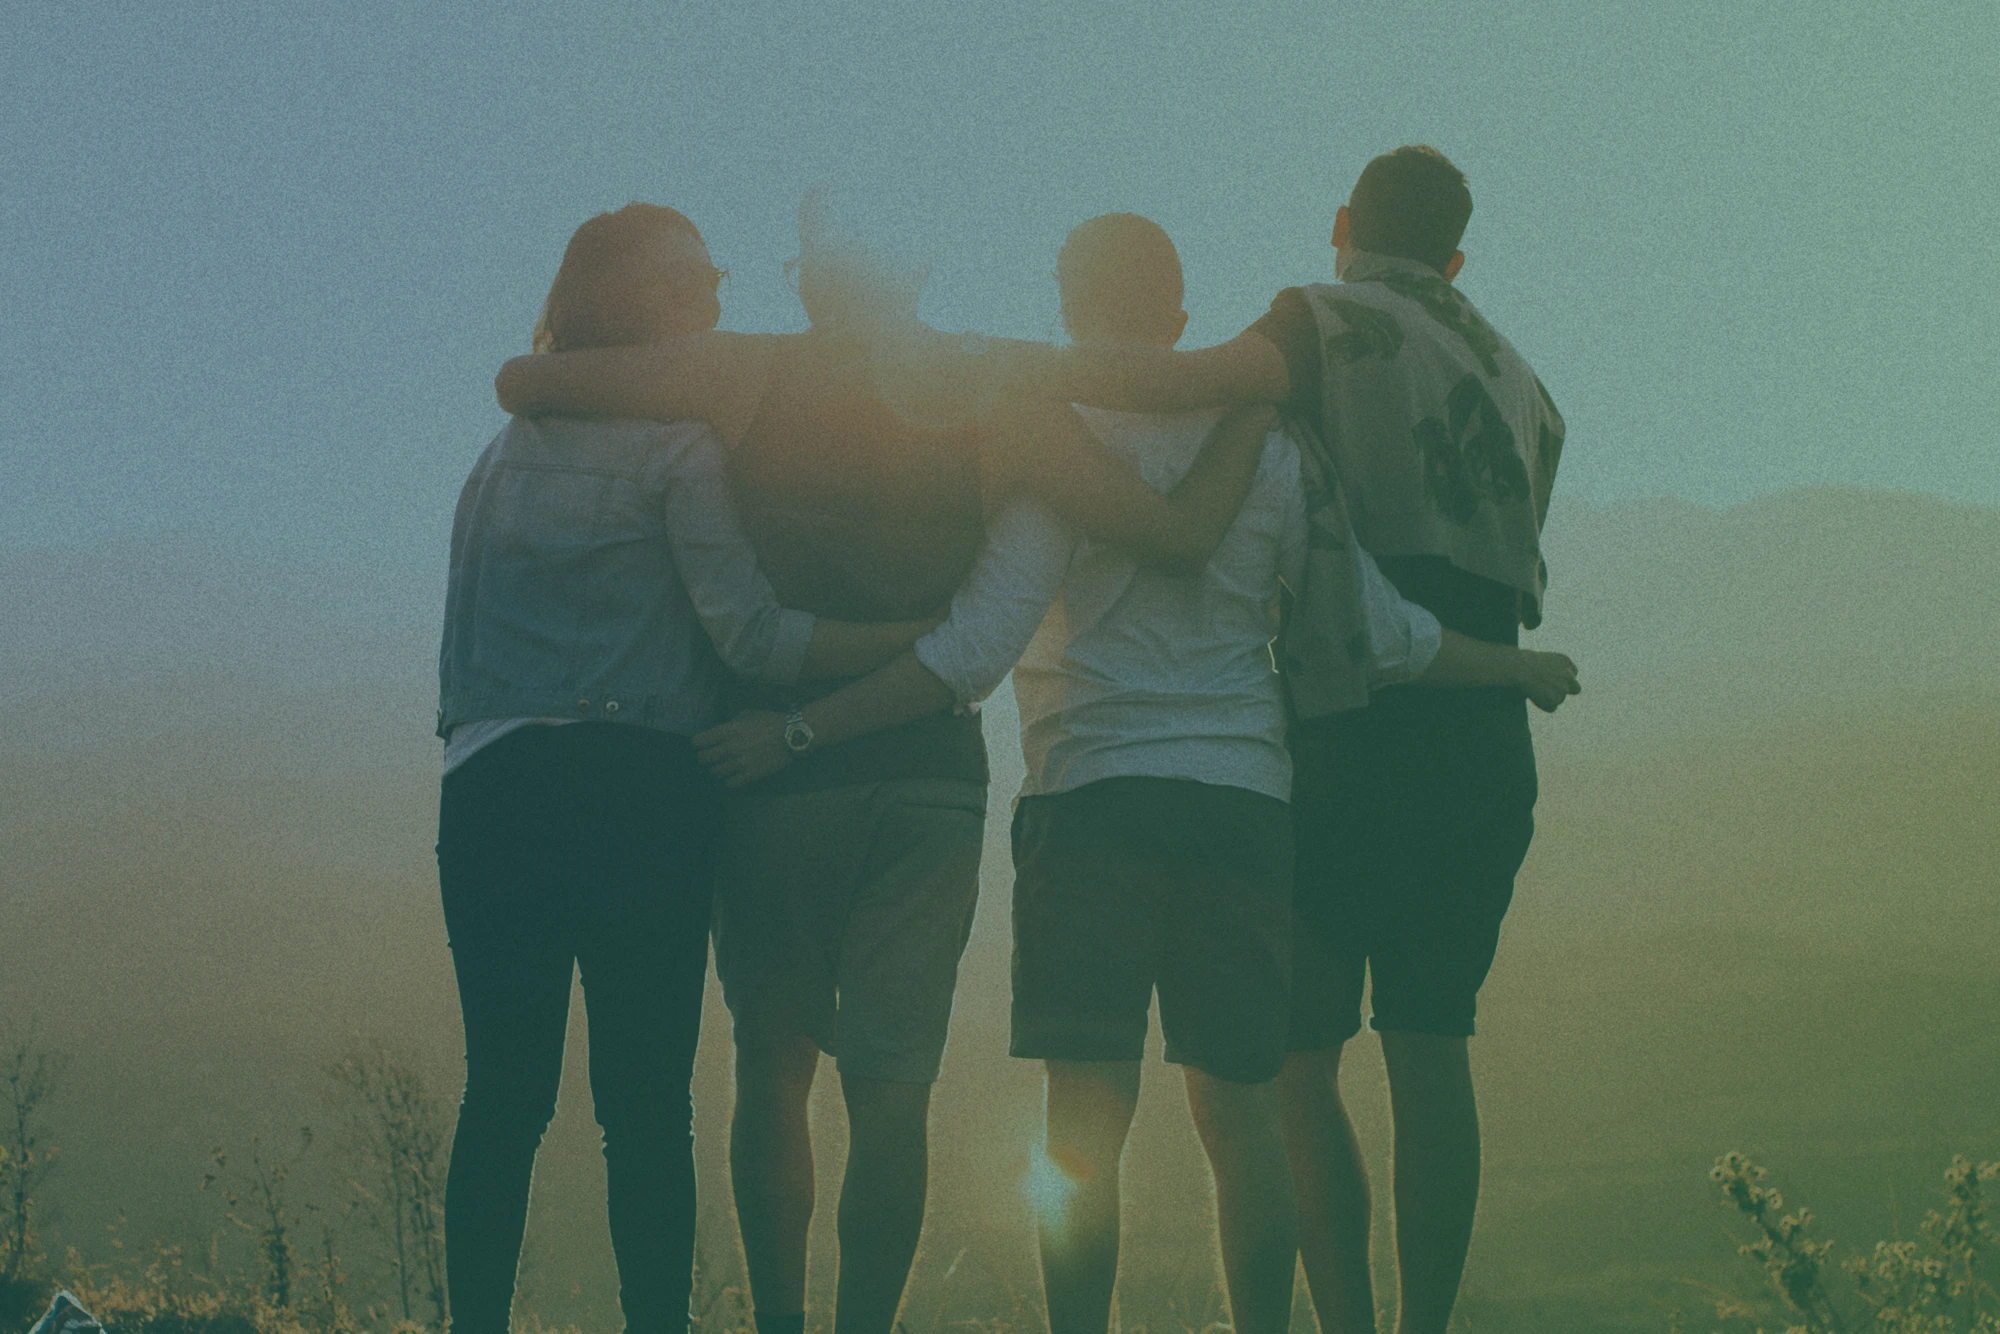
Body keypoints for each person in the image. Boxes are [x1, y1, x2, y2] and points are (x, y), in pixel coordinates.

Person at [692, 212, 1578, 1334]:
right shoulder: (1268, 440)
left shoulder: (1053, 438)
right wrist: (1513, 663)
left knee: (1081, 1123)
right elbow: (1376, 628)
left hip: (1088, 800)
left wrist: (804, 730)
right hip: (1244, 805)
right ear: (1175, 308)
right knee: (1240, 1114)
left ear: (1069, 305)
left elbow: (969, 651)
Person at [491, 187, 1277, 1334]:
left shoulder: (742, 371)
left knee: (771, 1068)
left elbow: (528, 383)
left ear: (812, 279)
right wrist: (1260, 392)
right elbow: (1165, 526)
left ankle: (780, 1322)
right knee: (891, 1091)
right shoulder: (995, 387)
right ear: (915, 273)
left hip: (768, 772)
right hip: (928, 779)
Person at [985, 147, 1570, 1334]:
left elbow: (1190, 383)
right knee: (1431, 1044)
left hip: (1344, 718)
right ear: (1456, 256)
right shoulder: (1523, 380)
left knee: (1296, 1067)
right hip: (1477, 722)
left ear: (1343, 221)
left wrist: (981, 372)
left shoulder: (1320, 319)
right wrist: (1511, 663)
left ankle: (1340, 1320)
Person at [435, 203, 934, 1334]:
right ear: (622, 300)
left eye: (714, 272)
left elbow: (462, 650)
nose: (713, 293)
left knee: (503, 1093)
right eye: (686, 279)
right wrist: (905, 638)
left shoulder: (497, 455)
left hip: (489, 783)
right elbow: (751, 638)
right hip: (638, 789)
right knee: (646, 1106)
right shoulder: (679, 447)